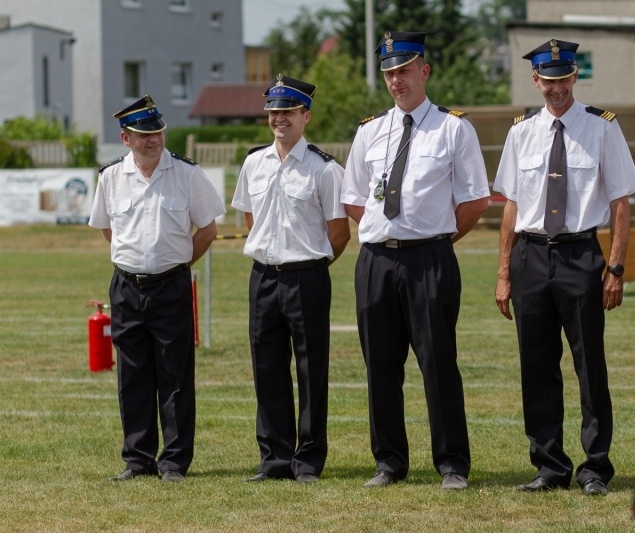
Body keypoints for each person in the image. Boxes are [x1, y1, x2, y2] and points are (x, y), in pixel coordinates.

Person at [340, 31, 490, 490]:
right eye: (389, 72)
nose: (396, 80)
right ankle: (388, 462)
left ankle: (452, 464)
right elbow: (354, 199)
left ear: (424, 71)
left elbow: (475, 201)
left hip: (429, 259)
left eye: (404, 70)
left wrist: (434, 236)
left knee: (438, 363)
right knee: (380, 366)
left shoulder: (453, 128)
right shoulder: (369, 131)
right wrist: (387, 232)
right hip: (376, 261)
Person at [493, 39, 635, 496]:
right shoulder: (521, 132)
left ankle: (595, 467)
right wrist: (504, 272)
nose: (556, 88)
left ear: (575, 77)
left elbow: (621, 202)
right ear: (535, 80)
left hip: (580, 255)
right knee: (536, 365)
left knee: (588, 365)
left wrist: (616, 267)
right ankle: (549, 466)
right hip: (530, 256)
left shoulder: (602, 127)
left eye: (563, 79)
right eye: (547, 80)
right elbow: (512, 206)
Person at [89, 95, 226, 483]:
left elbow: (208, 229)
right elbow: (108, 230)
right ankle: (137, 460)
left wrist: (177, 265)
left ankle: (175, 462)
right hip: (126, 287)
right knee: (132, 375)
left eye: (158, 132)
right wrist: (136, 262)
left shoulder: (186, 173)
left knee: (175, 376)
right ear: (125, 138)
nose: (153, 140)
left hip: (171, 286)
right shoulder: (110, 177)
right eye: (144, 134)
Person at [232, 74, 350, 484]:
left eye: (289, 112)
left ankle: (308, 460)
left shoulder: (325, 169)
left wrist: (309, 265)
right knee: (267, 367)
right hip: (264, 277)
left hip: (307, 277)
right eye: (274, 112)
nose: (279, 119)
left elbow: (339, 233)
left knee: (311, 370)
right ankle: (274, 459)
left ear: (306, 116)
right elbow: (250, 219)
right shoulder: (254, 163)